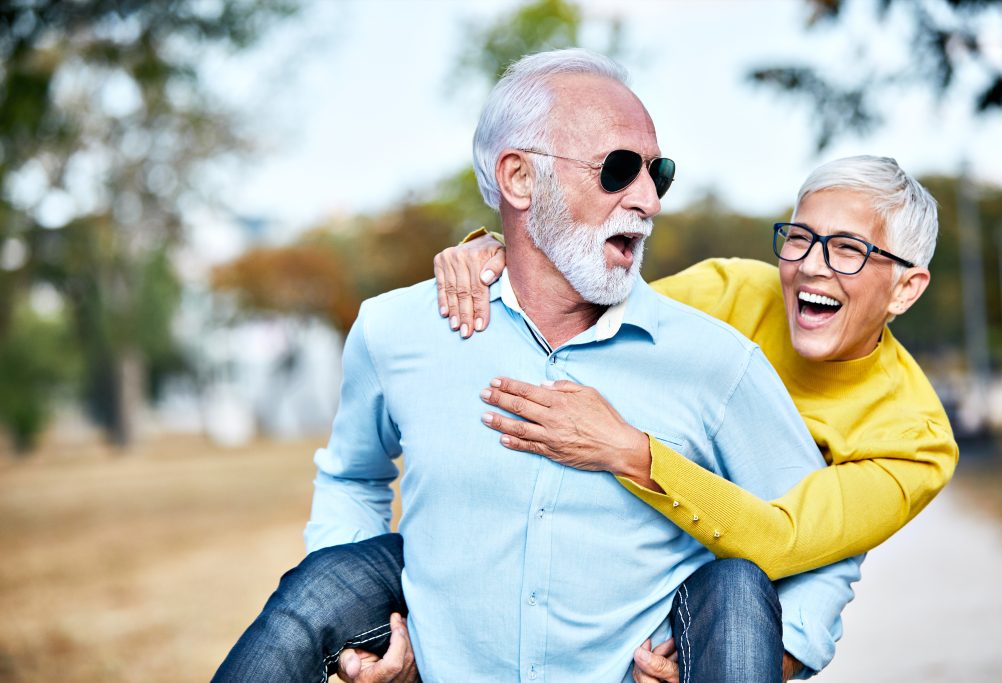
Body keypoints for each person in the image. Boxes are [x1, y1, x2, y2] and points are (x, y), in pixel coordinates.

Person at [213, 48, 861, 683]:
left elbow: (822, 533)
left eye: (656, 173)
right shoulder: (394, 331)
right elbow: (354, 477)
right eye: (619, 168)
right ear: (519, 178)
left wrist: (784, 652)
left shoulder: (715, 361)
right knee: (324, 582)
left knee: (739, 580)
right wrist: (378, 632)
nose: (649, 199)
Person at [433, 154, 958, 680]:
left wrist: (632, 453)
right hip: (615, 566)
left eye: (848, 249)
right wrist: (494, 255)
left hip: (728, 611)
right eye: (800, 238)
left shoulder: (913, 441)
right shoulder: (731, 292)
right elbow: (586, 324)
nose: (811, 265)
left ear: (906, 288)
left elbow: (791, 543)